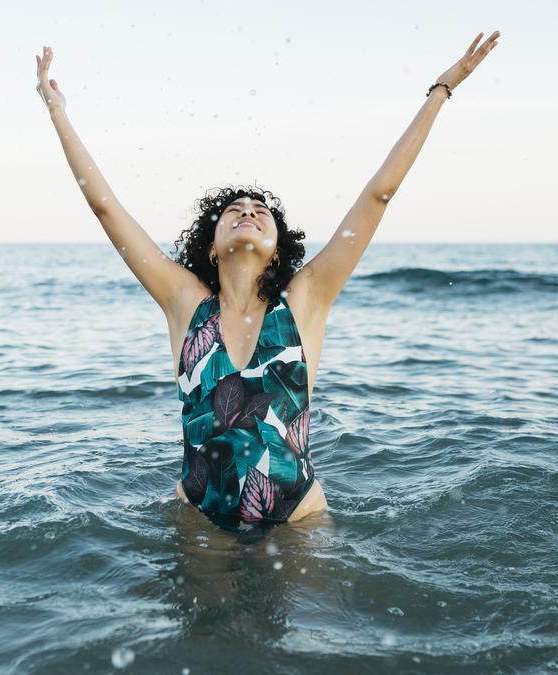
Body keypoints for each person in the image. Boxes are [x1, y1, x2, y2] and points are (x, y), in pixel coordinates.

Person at [34, 31, 500, 531]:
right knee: (196, 614)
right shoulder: (185, 302)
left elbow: (378, 196)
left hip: (297, 517)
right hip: (201, 519)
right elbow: (105, 208)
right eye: (233, 210)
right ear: (211, 246)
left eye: (260, 212)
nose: (248, 213)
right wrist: (58, 110)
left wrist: (440, 91)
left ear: (278, 245)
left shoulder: (304, 300)